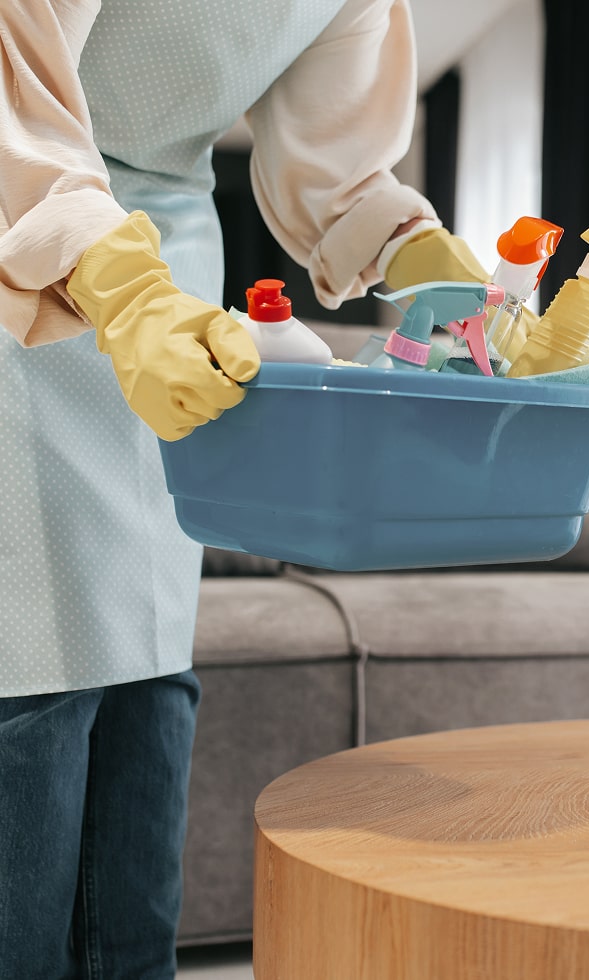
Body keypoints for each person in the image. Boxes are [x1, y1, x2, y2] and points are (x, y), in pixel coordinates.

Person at [0, 1, 494, 976]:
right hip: (24, 246)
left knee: (147, 662)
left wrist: (417, 251)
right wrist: (121, 290)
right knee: (33, 672)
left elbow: (338, 168)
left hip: (174, 266)